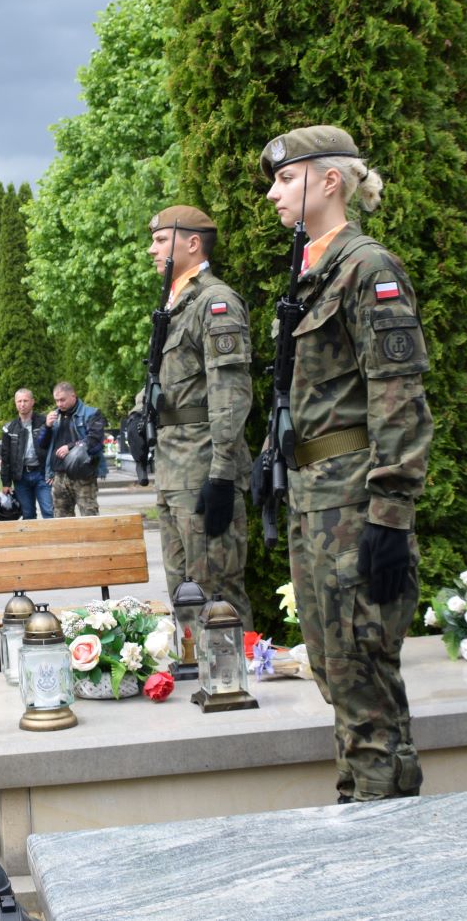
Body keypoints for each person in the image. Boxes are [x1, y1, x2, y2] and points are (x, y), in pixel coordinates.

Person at [262, 124, 433, 803]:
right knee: (336, 671)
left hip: (354, 504)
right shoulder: (313, 270)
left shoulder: (369, 269)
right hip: (316, 499)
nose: (273, 193)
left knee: (363, 672)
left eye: (285, 178)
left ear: (329, 181)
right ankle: (362, 801)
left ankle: (383, 824)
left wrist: (390, 516)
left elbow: (399, 397)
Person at [145, 204, 254, 627]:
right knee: (183, 595)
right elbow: (167, 380)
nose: (152, 249)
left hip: (203, 465)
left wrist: (223, 473)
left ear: (192, 244)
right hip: (173, 470)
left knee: (216, 593)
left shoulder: (215, 302)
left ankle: (235, 683)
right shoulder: (174, 306)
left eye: (160, 240)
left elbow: (230, 393)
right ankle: (198, 676)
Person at [45, 382, 105, 518]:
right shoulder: (54, 416)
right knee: (61, 522)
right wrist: (46, 427)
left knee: (90, 518)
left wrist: (71, 447)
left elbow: (95, 440)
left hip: (83, 474)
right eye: (56, 400)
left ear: (73, 396)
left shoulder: (92, 413)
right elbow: (42, 444)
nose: (59, 404)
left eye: (62, 400)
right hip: (59, 476)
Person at [0, 388, 52, 520]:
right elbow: (5, 457)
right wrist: (6, 482)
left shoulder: (44, 422)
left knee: (49, 511)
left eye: (26, 401)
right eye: (19, 401)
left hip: (42, 475)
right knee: (28, 514)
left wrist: (53, 472)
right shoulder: (9, 428)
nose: (22, 404)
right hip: (21, 477)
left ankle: (51, 541)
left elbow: (52, 448)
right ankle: (31, 541)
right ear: (15, 403)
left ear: (32, 402)